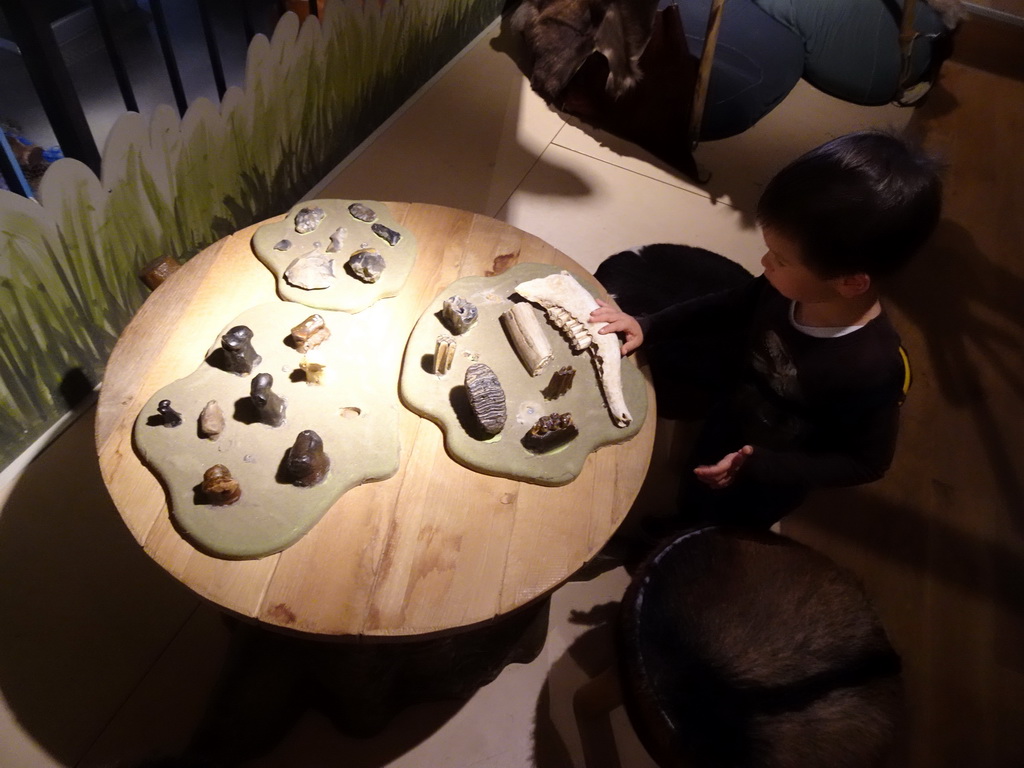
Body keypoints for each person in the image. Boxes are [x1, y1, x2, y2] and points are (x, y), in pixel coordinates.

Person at [591, 130, 942, 529]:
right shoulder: (783, 290)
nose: (764, 262)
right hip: (732, 418)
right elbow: (728, 305)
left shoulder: (871, 369)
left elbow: (865, 462)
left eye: (780, 259)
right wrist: (648, 324)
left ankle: (692, 541)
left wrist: (764, 465)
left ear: (850, 282)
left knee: (724, 528)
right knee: (694, 495)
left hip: (769, 474)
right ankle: (680, 524)